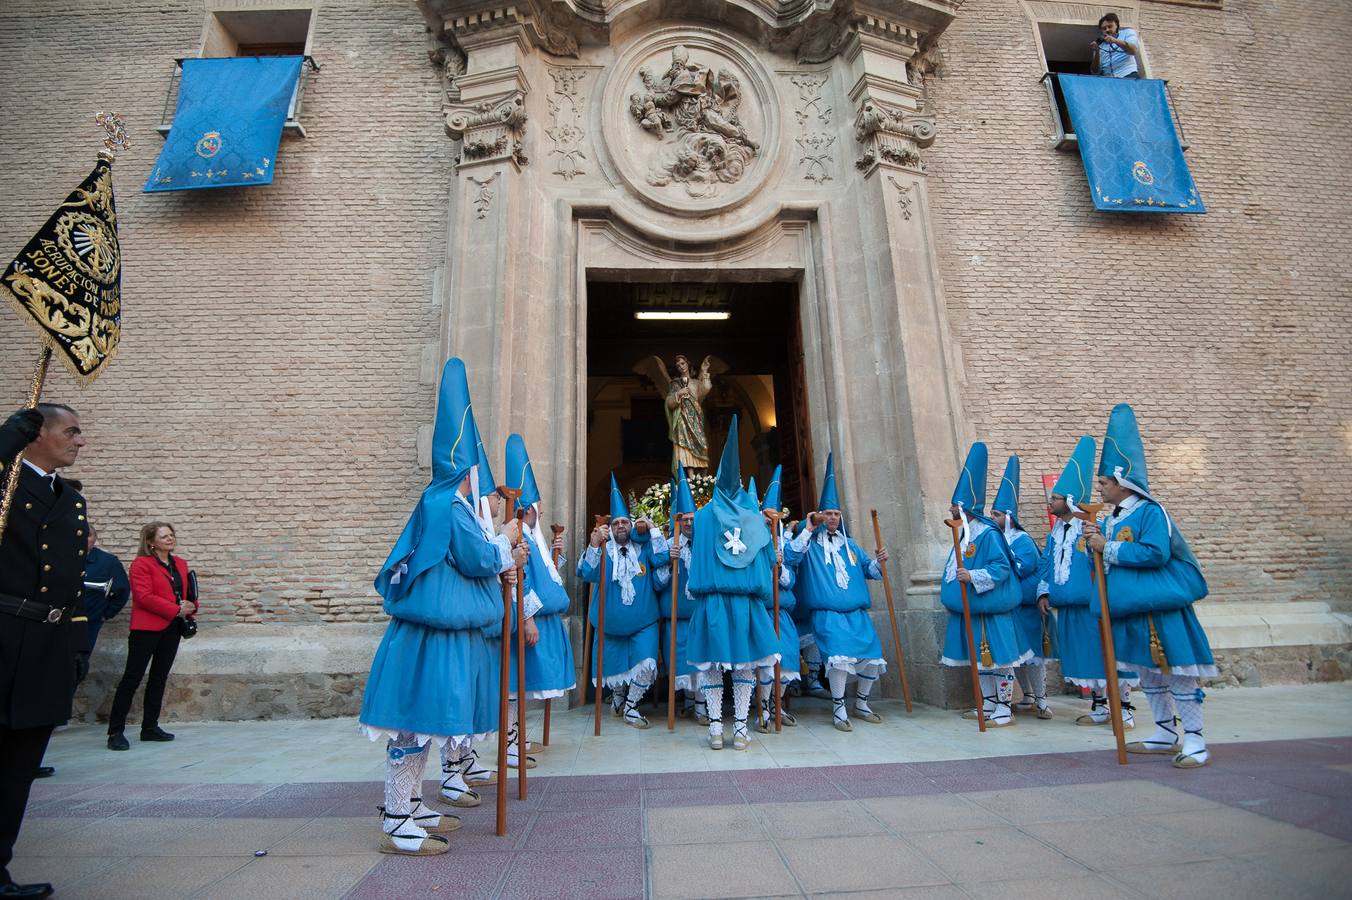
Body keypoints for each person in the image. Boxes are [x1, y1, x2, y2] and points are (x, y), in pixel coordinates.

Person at [360, 358, 528, 855]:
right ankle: (396, 816)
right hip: (429, 633)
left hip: (438, 631)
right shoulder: (448, 506)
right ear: (464, 466)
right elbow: (476, 558)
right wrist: (507, 543)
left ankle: (411, 801)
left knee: (426, 719)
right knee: (413, 721)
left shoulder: (441, 504)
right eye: (475, 467)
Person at [1084, 404, 1215, 768]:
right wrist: (1093, 544)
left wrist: (1107, 547)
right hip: (1131, 608)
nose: (1101, 488)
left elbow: (1155, 552)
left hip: (1161, 609)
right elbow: (1104, 560)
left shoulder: (1151, 512)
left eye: (1105, 483)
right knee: (1149, 675)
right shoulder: (1110, 519)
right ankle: (1163, 731)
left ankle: (1195, 740)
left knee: (1177, 673)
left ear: (1123, 482)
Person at [0, 403, 90, 900]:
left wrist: (74, 641)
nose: (79, 441)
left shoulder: (68, 499)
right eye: (70, 431)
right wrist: (7, 439)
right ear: (35, 434)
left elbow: (69, 580)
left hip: (44, 644)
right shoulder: (7, 480)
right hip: (4, 633)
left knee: (18, 768)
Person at [685, 425, 780, 750]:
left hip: (712, 602)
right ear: (739, 484)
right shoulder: (753, 517)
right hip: (745, 604)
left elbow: (695, 564)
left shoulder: (701, 517)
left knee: (713, 666)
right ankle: (739, 728)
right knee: (743, 665)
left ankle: (716, 728)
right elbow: (766, 563)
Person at [1036, 436, 1136, 729]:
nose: (1050, 502)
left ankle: (1125, 708)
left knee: (1107, 654)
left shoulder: (1094, 528)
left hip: (1094, 606)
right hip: (1068, 607)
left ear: (1068, 501)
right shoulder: (1057, 533)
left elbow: (1106, 561)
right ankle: (1100, 706)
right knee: (1087, 659)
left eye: (1054, 498)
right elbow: (1046, 564)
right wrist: (1044, 592)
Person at [790, 453, 889, 732]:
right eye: (828, 514)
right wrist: (809, 527)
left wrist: (879, 562)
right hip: (827, 615)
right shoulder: (810, 544)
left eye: (836, 514)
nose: (833, 518)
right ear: (821, 516)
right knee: (838, 660)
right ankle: (839, 709)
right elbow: (791, 555)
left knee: (872, 657)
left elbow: (870, 570)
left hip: (857, 614)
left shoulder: (851, 545)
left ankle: (862, 703)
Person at [499, 433, 576, 771]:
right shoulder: (516, 532)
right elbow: (518, 579)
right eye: (538, 506)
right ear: (527, 509)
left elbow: (544, 575)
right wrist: (528, 617)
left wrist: (556, 554)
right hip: (530, 622)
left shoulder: (534, 534)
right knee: (516, 687)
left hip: (544, 621)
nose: (542, 510)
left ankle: (521, 739)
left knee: (528, 685)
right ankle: (511, 746)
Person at [939, 442, 1028, 728]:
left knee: (998, 660)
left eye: (954, 505)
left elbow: (1001, 568)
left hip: (990, 610)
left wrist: (973, 577)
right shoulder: (963, 535)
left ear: (964, 508)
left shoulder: (987, 535)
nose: (951, 509)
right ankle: (988, 704)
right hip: (972, 612)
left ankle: (1004, 706)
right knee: (980, 662)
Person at [577, 475, 671, 729]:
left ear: (630, 525)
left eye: (624, 522)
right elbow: (586, 573)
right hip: (609, 626)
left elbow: (663, 559)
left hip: (644, 623)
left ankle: (631, 706)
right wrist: (594, 544)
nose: (620, 526)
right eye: (616, 522)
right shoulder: (604, 550)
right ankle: (618, 696)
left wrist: (651, 528)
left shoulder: (644, 549)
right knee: (613, 666)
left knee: (647, 663)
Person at [106, 522, 198, 750]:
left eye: (171, 535)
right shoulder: (141, 564)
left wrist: (190, 606)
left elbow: (188, 593)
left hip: (172, 628)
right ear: (150, 542)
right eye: (164, 536)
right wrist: (175, 609)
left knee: (159, 677)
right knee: (132, 678)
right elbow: (143, 596)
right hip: (146, 629)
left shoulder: (180, 563)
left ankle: (150, 727)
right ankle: (115, 732)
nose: (170, 539)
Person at [990, 456, 1053, 719]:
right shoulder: (997, 538)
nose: (992, 517)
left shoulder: (1022, 540)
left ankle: (1041, 700)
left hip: (1025, 607)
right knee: (1015, 655)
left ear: (1008, 515)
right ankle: (1026, 696)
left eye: (996, 514)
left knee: (1032, 655)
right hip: (1010, 607)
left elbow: (1022, 566)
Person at [653, 466, 701, 721]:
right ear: (678, 522)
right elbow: (658, 583)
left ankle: (703, 706)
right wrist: (668, 563)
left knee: (703, 660)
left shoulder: (705, 545)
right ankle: (689, 701)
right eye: (685, 520)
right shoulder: (668, 546)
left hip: (701, 615)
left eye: (693, 520)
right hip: (676, 617)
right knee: (681, 661)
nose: (690, 524)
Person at [757, 465, 802, 730]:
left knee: (785, 660)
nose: (770, 521)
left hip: (781, 612)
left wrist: (781, 566)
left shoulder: (784, 542)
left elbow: (789, 581)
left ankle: (777, 705)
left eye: (774, 517)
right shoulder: (753, 541)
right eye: (766, 517)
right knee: (764, 663)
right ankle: (762, 708)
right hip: (761, 611)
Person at [79, 523, 130, 659]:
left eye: (88, 535)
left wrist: (106, 614)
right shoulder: (61, 559)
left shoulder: (109, 562)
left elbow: (123, 591)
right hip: (60, 620)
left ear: (95, 538)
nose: (83, 538)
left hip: (89, 622)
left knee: (79, 661)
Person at [1090, 12, 1140, 79]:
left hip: (1128, 75)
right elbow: (1095, 72)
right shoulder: (1099, 44)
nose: (1107, 30)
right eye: (1104, 28)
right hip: (1110, 81)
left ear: (1116, 25)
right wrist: (1097, 52)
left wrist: (1115, 41)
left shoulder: (1127, 32)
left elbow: (1133, 50)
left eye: (1110, 26)